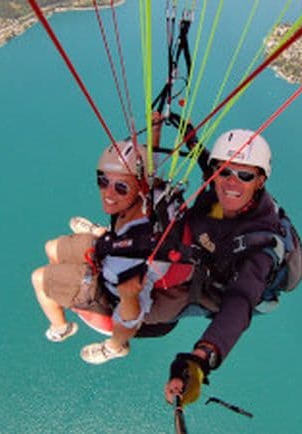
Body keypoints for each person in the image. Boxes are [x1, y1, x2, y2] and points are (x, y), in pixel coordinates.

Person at [159, 129, 283, 405]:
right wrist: (188, 133)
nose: (231, 182)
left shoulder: (259, 241)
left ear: (260, 181)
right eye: (225, 172)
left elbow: (240, 302)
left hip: (225, 287)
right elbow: (209, 163)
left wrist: (201, 358)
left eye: (245, 176)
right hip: (207, 256)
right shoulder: (217, 189)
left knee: (156, 314)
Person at [31, 139, 175, 364]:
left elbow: (130, 320)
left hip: (108, 305)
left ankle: (61, 328)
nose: (108, 192)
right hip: (110, 252)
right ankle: (101, 234)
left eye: (120, 187)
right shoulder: (154, 194)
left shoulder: (130, 265)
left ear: (138, 187)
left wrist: (127, 302)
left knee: (39, 278)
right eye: (103, 180)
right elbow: (149, 163)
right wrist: (154, 128)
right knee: (51, 247)